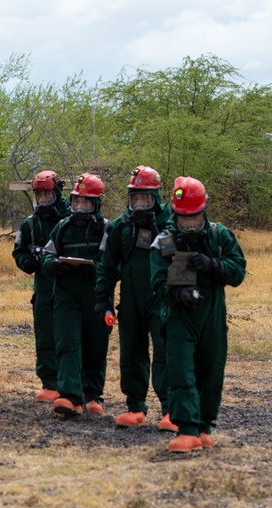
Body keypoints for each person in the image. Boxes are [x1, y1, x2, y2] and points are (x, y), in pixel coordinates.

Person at [150, 176, 246, 452]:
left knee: (211, 370)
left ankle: (204, 426)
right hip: (178, 314)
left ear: (203, 211)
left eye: (194, 219)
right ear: (174, 214)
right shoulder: (164, 241)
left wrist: (212, 265)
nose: (189, 226)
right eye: (183, 220)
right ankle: (187, 429)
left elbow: (238, 272)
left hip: (212, 313)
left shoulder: (220, 235)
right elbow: (156, 280)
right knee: (181, 370)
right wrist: (176, 293)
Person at [95, 165, 177, 432]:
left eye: (145, 197)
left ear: (156, 196)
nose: (140, 204)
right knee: (131, 352)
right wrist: (103, 300)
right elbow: (107, 267)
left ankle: (170, 410)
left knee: (165, 352)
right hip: (130, 300)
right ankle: (135, 407)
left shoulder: (172, 223)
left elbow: (184, 262)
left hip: (163, 300)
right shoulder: (120, 226)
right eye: (135, 198)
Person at [41, 174, 112, 417]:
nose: (80, 208)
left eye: (86, 203)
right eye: (76, 202)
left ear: (97, 204)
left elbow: (113, 262)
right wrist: (52, 265)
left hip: (97, 293)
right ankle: (70, 396)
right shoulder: (62, 228)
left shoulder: (106, 229)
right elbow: (47, 255)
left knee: (96, 344)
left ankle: (92, 395)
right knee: (67, 342)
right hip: (66, 294)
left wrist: (98, 269)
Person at [13, 170, 70, 404]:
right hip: (44, 287)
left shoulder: (74, 217)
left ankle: (74, 383)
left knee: (71, 336)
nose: (43, 201)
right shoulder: (30, 223)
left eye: (47, 196)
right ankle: (50, 383)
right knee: (45, 336)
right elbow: (18, 250)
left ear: (57, 193)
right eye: (39, 196)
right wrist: (26, 262)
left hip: (70, 286)